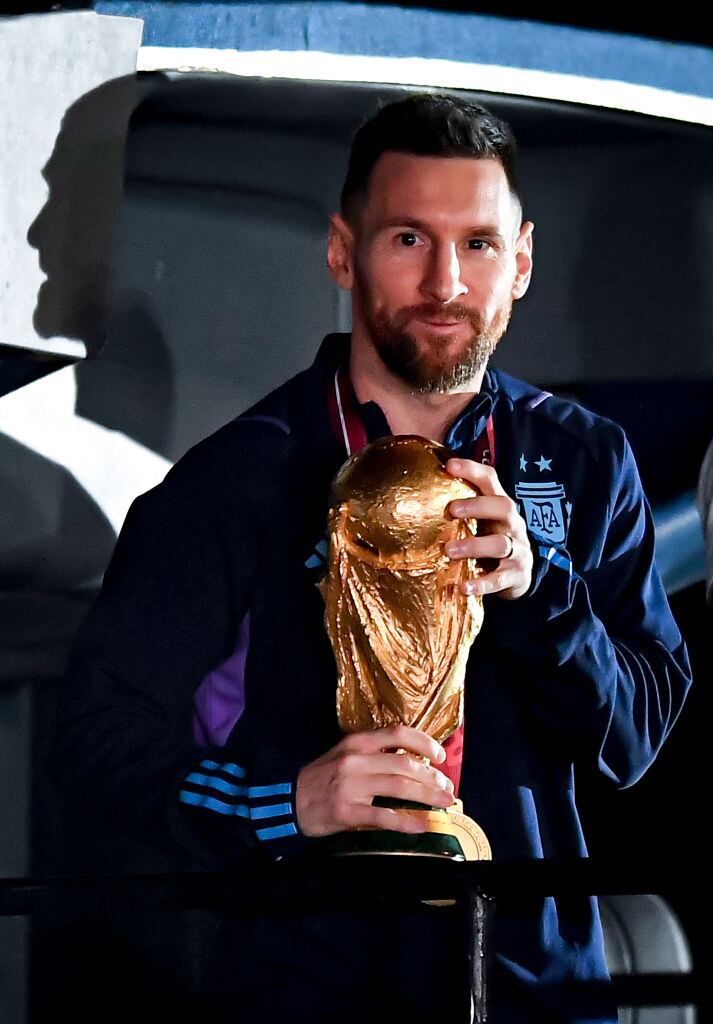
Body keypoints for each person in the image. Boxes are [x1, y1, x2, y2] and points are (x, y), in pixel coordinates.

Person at [53, 94, 692, 1023]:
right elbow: (94, 741)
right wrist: (286, 801)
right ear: (342, 253)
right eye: (406, 239)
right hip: (307, 987)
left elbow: (633, 742)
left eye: (476, 243)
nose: (445, 281)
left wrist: (539, 589)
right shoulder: (237, 476)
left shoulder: (587, 459)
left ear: (519, 262)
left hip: (534, 991)